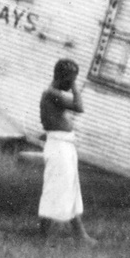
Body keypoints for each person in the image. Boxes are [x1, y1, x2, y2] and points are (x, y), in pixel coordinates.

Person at [38, 58, 95, 243]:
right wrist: (75, 86)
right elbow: (80, 107)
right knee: (57, 191)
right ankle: (48, 238)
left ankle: (80, 235)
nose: (71, 83)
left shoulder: (53, 93)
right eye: (70, 79)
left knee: (70, 190)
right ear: (64, 78)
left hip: (64, 146)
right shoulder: (51, 93)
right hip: (59, 147)